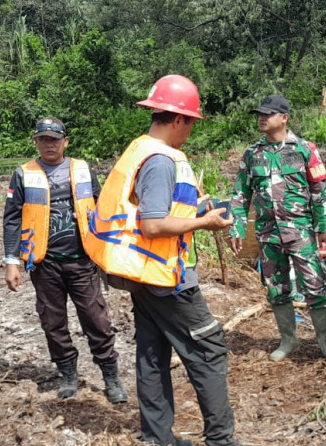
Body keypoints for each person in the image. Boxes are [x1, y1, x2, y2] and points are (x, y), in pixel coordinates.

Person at [84, 75, 241, 446]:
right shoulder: (160, 160)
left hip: (142, 273)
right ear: (178, 120)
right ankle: (221, 440)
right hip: (164, 276)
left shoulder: (139, 149)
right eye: (190, 123)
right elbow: (153, 224)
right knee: (209, 348)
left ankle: (157, 438)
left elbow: (151, 209)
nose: (190, 131)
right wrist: (205, 222)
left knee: (152, 352)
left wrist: (197, 209)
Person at [2, 117, 127, 404]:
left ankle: (110, 376)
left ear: (65, 142)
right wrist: (11, 262)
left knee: (96, 319)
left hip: (82, 261)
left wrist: (112, 251)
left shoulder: (83, 169)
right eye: (43, 139)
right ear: (36, 142)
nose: (49, 144)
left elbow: (103, 208)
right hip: (43, 263)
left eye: (54, 139)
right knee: (53, 322)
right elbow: (11, 219)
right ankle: (68, 374)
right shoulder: (23, 174)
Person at [228, 95, 326, 363]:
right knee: (275, 288)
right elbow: (240, 194)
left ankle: (325, 342)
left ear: (284, 118)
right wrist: (237, 226)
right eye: (259, 113)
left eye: (267, 114)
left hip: (301, 233)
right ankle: (288, 340)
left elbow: (320, 191)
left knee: (315, 286)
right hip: (268, 234)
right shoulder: (252, 154)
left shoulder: (305, 150)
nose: (262, 118)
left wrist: (323, 229)